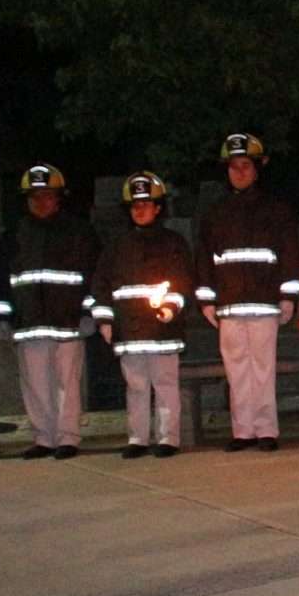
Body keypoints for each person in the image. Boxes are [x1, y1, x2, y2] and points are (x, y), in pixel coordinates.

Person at [195, 133, 299, 452]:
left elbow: (289, 255)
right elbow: (204, 258)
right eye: (233, 167)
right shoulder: (215, 213)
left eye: (245, 165)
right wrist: (205, 299)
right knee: (236, 370)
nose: (239, 172)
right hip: (229, 304)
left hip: (264, 301)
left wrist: (288, 297)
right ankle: (242, 431)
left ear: (258, 168)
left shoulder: (276, 210)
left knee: (263, 369)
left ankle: (267, 430)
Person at [0, 163, 101, 460]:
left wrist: (89, 312)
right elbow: (1, 279)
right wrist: (1, 316)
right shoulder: (13, 236)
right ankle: (43, 438)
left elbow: (93, 275)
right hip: (29, 324)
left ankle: (67, 437)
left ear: (58, 197)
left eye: (47, 195)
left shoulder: (79, 231)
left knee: (67, 384)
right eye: (35, 196)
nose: (41, 201)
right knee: (36, 385)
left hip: (68, 322)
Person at [90, 172, 193, 458]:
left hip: (162, 330)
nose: (140, 210)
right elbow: (101, 284)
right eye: (135, 205)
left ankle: (168, 439)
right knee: (135, 388)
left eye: (146, 204)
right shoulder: (117, 246)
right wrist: (105, 319)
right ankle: (137, 439)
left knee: (165, 385)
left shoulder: (173, 242)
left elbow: (183, 280)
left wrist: (170, 309)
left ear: (158, 207)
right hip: (129, 329)